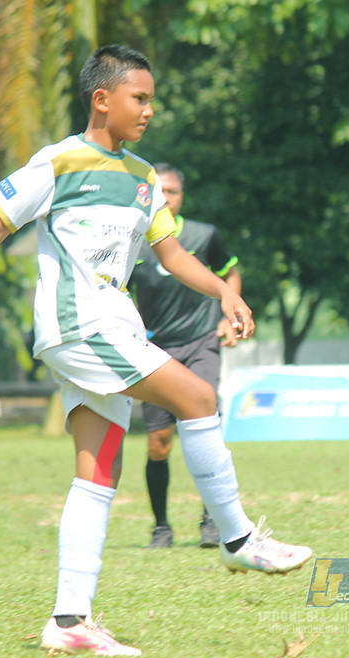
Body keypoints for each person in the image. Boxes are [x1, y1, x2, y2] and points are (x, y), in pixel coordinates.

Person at [0, 44, 312, 658]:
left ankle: (70, 620)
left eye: (152, 99)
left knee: (97, 472)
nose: (150, 110)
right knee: (198, 396)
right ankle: (237, 539)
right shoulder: (59, 162)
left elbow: (174, 257)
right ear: (103, 99)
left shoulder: (145, 178)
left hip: (106, 325)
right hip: (82, 325)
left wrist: (226, 295)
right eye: (139, 98)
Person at [128, 163, 240, 549]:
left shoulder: (204, 235)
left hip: (200, 341)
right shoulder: (131, 242)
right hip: (155, 350)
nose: (166, 197)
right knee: (158, 442)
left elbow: (230, 271)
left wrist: (229, 312)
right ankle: (161, 527)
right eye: (159, 191)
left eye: (172, 191)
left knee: (205, 422)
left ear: (181, 196)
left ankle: (212, 520)